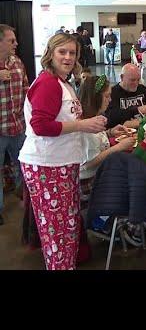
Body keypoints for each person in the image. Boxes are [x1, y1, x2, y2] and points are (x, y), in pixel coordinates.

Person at [18, 33, 107, 270]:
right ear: (51, 53)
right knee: (58, 233)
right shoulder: (48, 83)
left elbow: (62, 121)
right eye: (62, 52)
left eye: (72, 52)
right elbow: (40, 125)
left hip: (61, 163)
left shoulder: (62, 82)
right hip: (47, 165)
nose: (68, 57)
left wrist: (86, 125)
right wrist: (82, 125)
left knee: (67, 229)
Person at [78, 75, 134, 242]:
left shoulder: (94, 117)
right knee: (133, 183)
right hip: (88, 182)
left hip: (98, 175)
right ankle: (103, 222)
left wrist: (110, 132)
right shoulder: (84, 125)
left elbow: (96, 143)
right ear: (96, 98)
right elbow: (86, 164)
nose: (110, 100)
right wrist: (118, 148)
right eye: (107, 96)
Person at [0, 25, 29, 225]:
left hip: (18, 126)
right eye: (11, 41)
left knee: (24, 166)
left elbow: (26, 89)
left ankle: (27, 200)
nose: (16, 44)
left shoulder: (17, 62)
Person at [104, 63, 146, 128]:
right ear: (122, 77)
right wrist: (137, 110)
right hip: (123, 130)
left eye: (138, 80)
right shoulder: (113, 92)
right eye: (132, 80)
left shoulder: (141, 89)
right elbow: (111, 117)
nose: (136, 83)